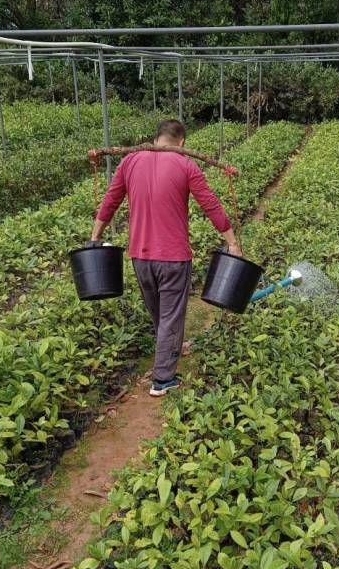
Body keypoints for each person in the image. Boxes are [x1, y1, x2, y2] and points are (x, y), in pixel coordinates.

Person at [90, 119, 242, 397]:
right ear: (182, 142)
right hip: (173, 257)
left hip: (140, 256)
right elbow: (210, 204)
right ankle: (163, 379)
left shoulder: (130, 161)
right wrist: (232, 243)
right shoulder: (186, 164)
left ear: (156, 137)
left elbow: (110, 200)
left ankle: (171, 347)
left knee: (161, 313)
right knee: (171, 315)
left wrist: (94, 238)